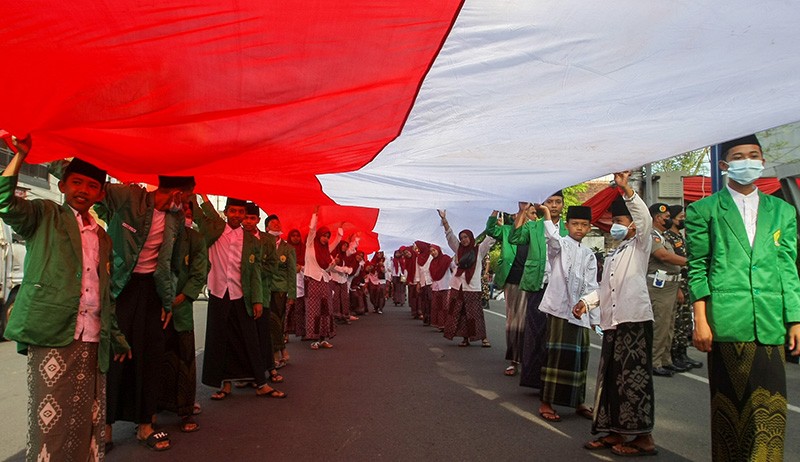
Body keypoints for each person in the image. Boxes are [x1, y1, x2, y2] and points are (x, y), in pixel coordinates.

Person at [0, 141, 130, 461]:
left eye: (92, 186)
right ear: (62, 186)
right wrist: (20, 155)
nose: (83, 190)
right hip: (54, 332)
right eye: (77, 182)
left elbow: (104, 293)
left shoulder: (103, 237)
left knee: (88, 416)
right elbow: (4, 201)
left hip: (93, 337)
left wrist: (116, 338)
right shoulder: (45, 215)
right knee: (51, 422)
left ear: (100, 194)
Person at [686, 134, 800, 461]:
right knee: (731, 411)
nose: (747, 162)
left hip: (770, 322)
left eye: (753, 155)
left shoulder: (782, 211)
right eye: (738, 157)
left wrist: (795, 319)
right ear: (724, 165)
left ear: (762, 162)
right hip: (726, 322)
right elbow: (697, 267)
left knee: (770, 412)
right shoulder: (704, 210)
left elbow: (788, 267)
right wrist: (701, 320)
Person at [87, 167, 194, 451]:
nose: (186, 204)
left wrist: (167, 300)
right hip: (120, 288)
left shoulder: (176, 219)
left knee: (151, 356)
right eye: (187, 198)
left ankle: (145, 424)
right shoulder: (129, 197)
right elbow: (96, 189)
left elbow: (171, 264)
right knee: (116, 356)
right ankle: (105, 428)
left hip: (152, 292)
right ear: (177, 193)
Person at [574, 171, 657, 457]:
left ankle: (643, 437)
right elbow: (604, 289)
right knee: (611, 379)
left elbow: (645, 219)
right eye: (614, 221)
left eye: (620, 221)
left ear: (633, 225)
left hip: (634, 321)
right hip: (613, 324)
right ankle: (615, 430)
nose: (615, 226)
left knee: (633, 380)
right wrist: (586, 303)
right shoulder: (614, 253)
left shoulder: (640, 246)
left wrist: (627, 191)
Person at [195, 195, 285, 400]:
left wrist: (257, 300)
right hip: (218, 292)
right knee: (220, 340)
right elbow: (201, 213)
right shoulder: (215, 230)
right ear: (226, 212)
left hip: (241, 295)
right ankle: (225, 385)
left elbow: (255, 272)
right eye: (233, 211)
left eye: (241, 212)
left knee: (250, 339)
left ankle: (261, 383)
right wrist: (199, 192)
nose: (237, 215)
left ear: (245, 215)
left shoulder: (252, 241)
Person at [535, 204, 598, 423]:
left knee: (579, 358)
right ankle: (546, 402)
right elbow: (552, 238)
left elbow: (592, 286)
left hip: (581, 314)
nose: (579, 228)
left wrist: (593, 316)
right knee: (556, 357)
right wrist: (546, 214)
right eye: (575, 224)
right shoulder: (559, 245)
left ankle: (578, 401)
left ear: (589, 227)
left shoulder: (589, 255)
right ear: (567, 225)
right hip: (559, 311)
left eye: (584, 224)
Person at [158, 201, 207, 433]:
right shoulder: (156, 233)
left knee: (185, 359)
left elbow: (200, 272)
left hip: (181, 309)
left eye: (188, 212)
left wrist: (183, 296)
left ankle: (186, 410)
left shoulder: (196, 239)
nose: (183, 215)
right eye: (178, 211)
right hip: (156, 308)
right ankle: (152, 410)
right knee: (156, 360)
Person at [509, 191, 566, 389]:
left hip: (560, 288)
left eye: (558, 202)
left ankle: (554, 379)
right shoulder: (533, 226)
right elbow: (514, 238)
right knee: (535, 331)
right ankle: (534, 379)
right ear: (542, 204)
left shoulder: (569, 228)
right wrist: (522, 211)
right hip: (537, 285)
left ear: (563, 205)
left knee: (556, 334)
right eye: (550, 201)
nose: (554, 205)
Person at [241, 202, 283, 386]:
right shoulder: (237, 237)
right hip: (241, 293)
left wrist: (254, 272)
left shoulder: (267, 240)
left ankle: (270, 367)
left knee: (263, 332)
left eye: (252, 218)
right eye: (246, 218)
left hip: (263, 292)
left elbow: (273, 265)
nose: (248, 221)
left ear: (258, 220)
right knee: (245, 334)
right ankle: (248, 373)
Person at [439, 210, 495, 347]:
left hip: (472, 287)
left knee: (475, 314)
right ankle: (465, 338)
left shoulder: (479, 250)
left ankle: (483, 338)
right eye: (462, 237)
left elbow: (490, 238)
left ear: (471, 237)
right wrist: (444, 220)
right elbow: (450, 236)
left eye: (466, 237)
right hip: (457, 286)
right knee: (460, 313)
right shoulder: (458, 249)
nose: (464, 240)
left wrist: (494, 214)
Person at [485, 210, 528, 376]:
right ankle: (514, 360)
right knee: (513, 321)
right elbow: (490, 229)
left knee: (527, 322)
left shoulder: (534, 230)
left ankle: (527, 358)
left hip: (531, 281)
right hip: (512, 281)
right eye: (516, 213)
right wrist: (496, 210)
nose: (520, 215)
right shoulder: (506, 230)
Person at [647, 202, 688, 377]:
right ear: (658, 218)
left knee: (670, 325)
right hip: (659, 288)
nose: (669, 220)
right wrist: (689, 262)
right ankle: (654, 362)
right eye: (667, 217)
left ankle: (665, 360)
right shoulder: (652, 235)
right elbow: (663, 256)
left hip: (671, 286)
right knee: (660, 326)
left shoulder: (663, 236)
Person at [663, 205, 702, 370]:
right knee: (677, 321)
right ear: (672, 219)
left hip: (687, 283)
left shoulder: (681, 237)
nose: (684, 220)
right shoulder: (667, 237)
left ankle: (683, 353)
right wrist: (678, 287)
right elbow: (669, 265)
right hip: (677, 283)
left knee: (686, 320)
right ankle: (674, 355)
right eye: (681, 217)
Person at [304, 206, 342, 349]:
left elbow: (327, 269)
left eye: (327, 236)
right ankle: (314, 339)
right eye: (324, 235)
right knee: (313, 310)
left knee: (326, 310)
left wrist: (334, 263)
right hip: (312, 280)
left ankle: (323, 338)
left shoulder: (326, 251)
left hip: (324, 281)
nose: (325, 239)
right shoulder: (310, 245)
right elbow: (312, 230)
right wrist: (315, 214)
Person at [264, 214, 296, 368]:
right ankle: (281, 350)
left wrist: (292, 294)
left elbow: (291, 272)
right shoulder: (262, 244)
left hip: (280, 289)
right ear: (266, 228)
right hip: (264, 287)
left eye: (278, 223)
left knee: (277, 320)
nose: (277, 225)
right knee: (269, 321)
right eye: (273, 223)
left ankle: (277, 352)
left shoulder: (288, 248)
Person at [284, 229, 306, 339]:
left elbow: (310, 265)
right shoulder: (285, 249)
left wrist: (301, 268)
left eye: (298, 235)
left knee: (300, 310)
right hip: (288, 283)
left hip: (301, 283)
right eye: (293, 235)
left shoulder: (304, 249)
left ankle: (302, 333)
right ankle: (285, 334)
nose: (296, 238)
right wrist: (292, 268)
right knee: (287, 310)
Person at [429, 244, 453, 331]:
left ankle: (447, 325)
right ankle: (440, 324)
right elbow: (431, 274)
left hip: (445, 286)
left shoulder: (446, 259)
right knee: (437, 306)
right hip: (436, 287)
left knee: (445, 306)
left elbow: (454, 268)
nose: (433, 252)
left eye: (434, 250)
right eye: (431, 251)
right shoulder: (432, 262)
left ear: (438, 250)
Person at [413, 241, 434, 325]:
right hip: (423, 282)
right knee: (424, 300)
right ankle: (426, 318)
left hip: (431, 281)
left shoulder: (431, 256)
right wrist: (418, 282)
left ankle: (432, 318)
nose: (417, 249)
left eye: (418, 247)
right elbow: (417, 271)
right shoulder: (418, 258)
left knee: (431, 300)